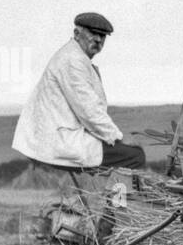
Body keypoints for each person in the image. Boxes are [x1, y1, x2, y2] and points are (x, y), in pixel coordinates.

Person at [12, 12, 147, 171]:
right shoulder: (73, 60)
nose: (98, 39)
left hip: (54, 137)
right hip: (58, 141)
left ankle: (108, 193)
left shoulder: (75, 57)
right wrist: (118, 138)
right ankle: (117, 196)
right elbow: (89, 111)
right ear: (77, 34)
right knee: (134, 156)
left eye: (103, 36)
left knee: (124, 154)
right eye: (93, 33)